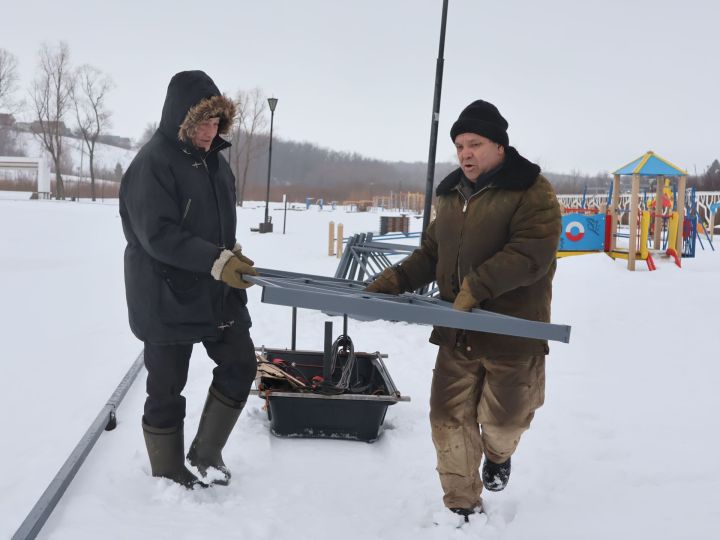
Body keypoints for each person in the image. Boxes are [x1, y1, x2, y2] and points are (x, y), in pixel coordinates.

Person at [366, 100, 561, 520]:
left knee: (504, 423)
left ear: (499, 146)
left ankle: (497, 455)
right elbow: (434, 251)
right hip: (458, 330)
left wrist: (476, 286)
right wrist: (396, 278)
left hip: (513, 331)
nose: (465, 154)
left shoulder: (532, 190)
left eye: (474, 144)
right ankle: (461, 505)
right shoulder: (452, 193)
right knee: (447, 420)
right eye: (459, 146)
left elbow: (532, 253)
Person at [119, 70, 258, 489]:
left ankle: (206, 453)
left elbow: (214, 223)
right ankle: (166, 470)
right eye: (202, 123)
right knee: (167, 387)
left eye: (216, 123)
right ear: (181, 118)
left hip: (215, 290)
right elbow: (158, 233)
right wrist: (215, 259)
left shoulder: (216, 164)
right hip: (164, 292)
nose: (209, 132)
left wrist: (230, 255)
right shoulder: (152, 163)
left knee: (240, 363)